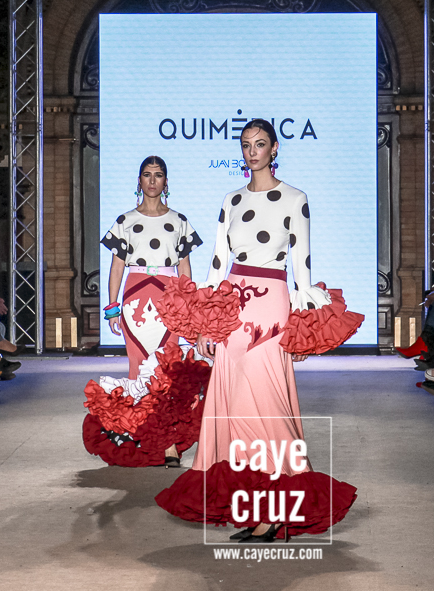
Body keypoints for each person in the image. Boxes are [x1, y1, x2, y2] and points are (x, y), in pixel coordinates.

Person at [154, 119, 360, 543]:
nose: (252, 151)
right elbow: (217, 265)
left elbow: (302, 268)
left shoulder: (295, 198)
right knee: (232, 405)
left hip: (271, 307)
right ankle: (254, 506)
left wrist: (302, 327)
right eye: (246, 144)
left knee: (265, 405)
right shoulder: (230, 200)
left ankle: (276, 508)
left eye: (260, 144)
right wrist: (206, 324)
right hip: (232, 307)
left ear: (274, 148)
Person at [83, 155, 205, 468]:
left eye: (158, 174)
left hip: (169, 297)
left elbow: (185, 268)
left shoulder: (179, 221)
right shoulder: (124, 221)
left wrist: (188, 305)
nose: (152, 180)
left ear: (166, 181)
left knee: (168, 369)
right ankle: (143, 436)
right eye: (147, 175)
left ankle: (169, 443)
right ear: (139, 181)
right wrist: (112, 308)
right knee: (139, 369)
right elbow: (117, 267)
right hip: (135, 296)